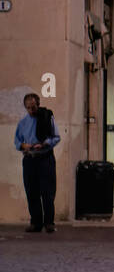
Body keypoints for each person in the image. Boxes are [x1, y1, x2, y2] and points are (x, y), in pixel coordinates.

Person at [14, 92, 60, 233]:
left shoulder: (47, 117)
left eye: (33, 107)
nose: (31, 110)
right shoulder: (22, 123)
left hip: (45, 158)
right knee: (32, 191)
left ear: (38, 105)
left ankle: (49, 223)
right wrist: (23, 146)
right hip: (30, 159)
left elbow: (56, 137)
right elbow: (17, 141)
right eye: (28, 108)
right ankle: (36, 222)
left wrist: (45, 144)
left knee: (47, 191)